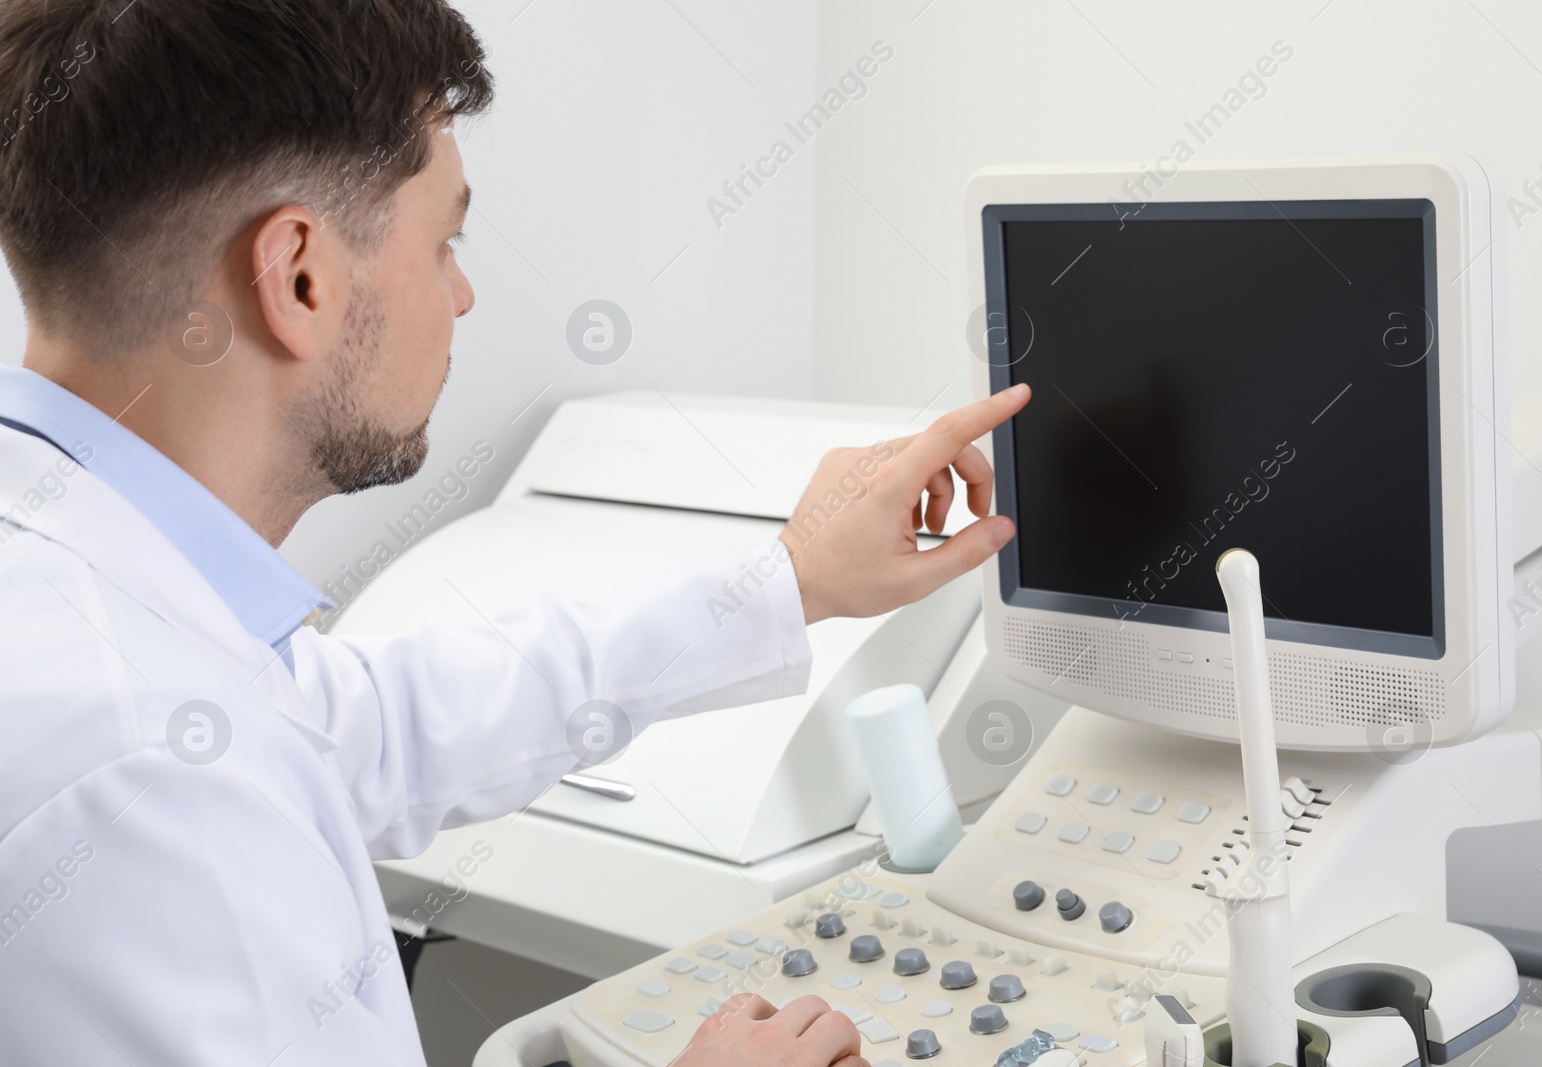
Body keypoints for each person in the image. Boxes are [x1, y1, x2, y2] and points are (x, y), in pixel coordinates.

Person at [0, 1, 1029, 1064]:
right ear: (298, 276)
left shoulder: (93, 592)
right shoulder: (136, 777)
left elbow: (370, 730)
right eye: (444, 240)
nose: (463, 292)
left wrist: (789, 579)